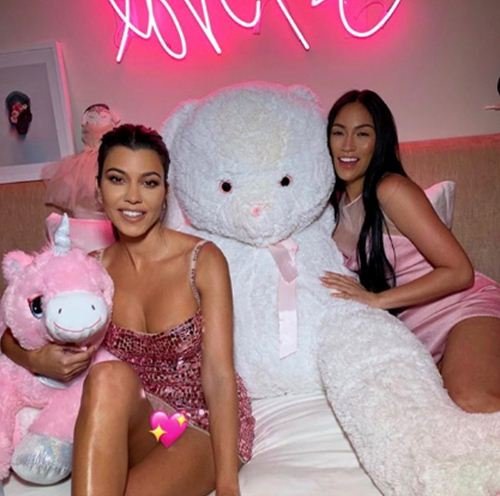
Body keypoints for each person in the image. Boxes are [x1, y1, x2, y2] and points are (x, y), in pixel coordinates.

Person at [1, 123, 254, 496]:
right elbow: (12, 332)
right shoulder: (89, 269)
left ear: (165, 193)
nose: (133, 197)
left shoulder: (202, 260)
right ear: (99, 189)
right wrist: (37, 360)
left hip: (198, 424)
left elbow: (218, 374)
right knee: (108, 376)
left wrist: (228, 485)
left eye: (149, 183)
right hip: (138, 420)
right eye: (118, 179)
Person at [321, 89, 500, 414]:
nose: (347, 146)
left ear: (379, 142)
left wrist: (377, 300)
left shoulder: (391, 189)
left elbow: (460, 272)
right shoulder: (330, 206)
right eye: (338, 132)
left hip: (462, 309)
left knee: (472, 399)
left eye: (362, 134)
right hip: (416, 332)